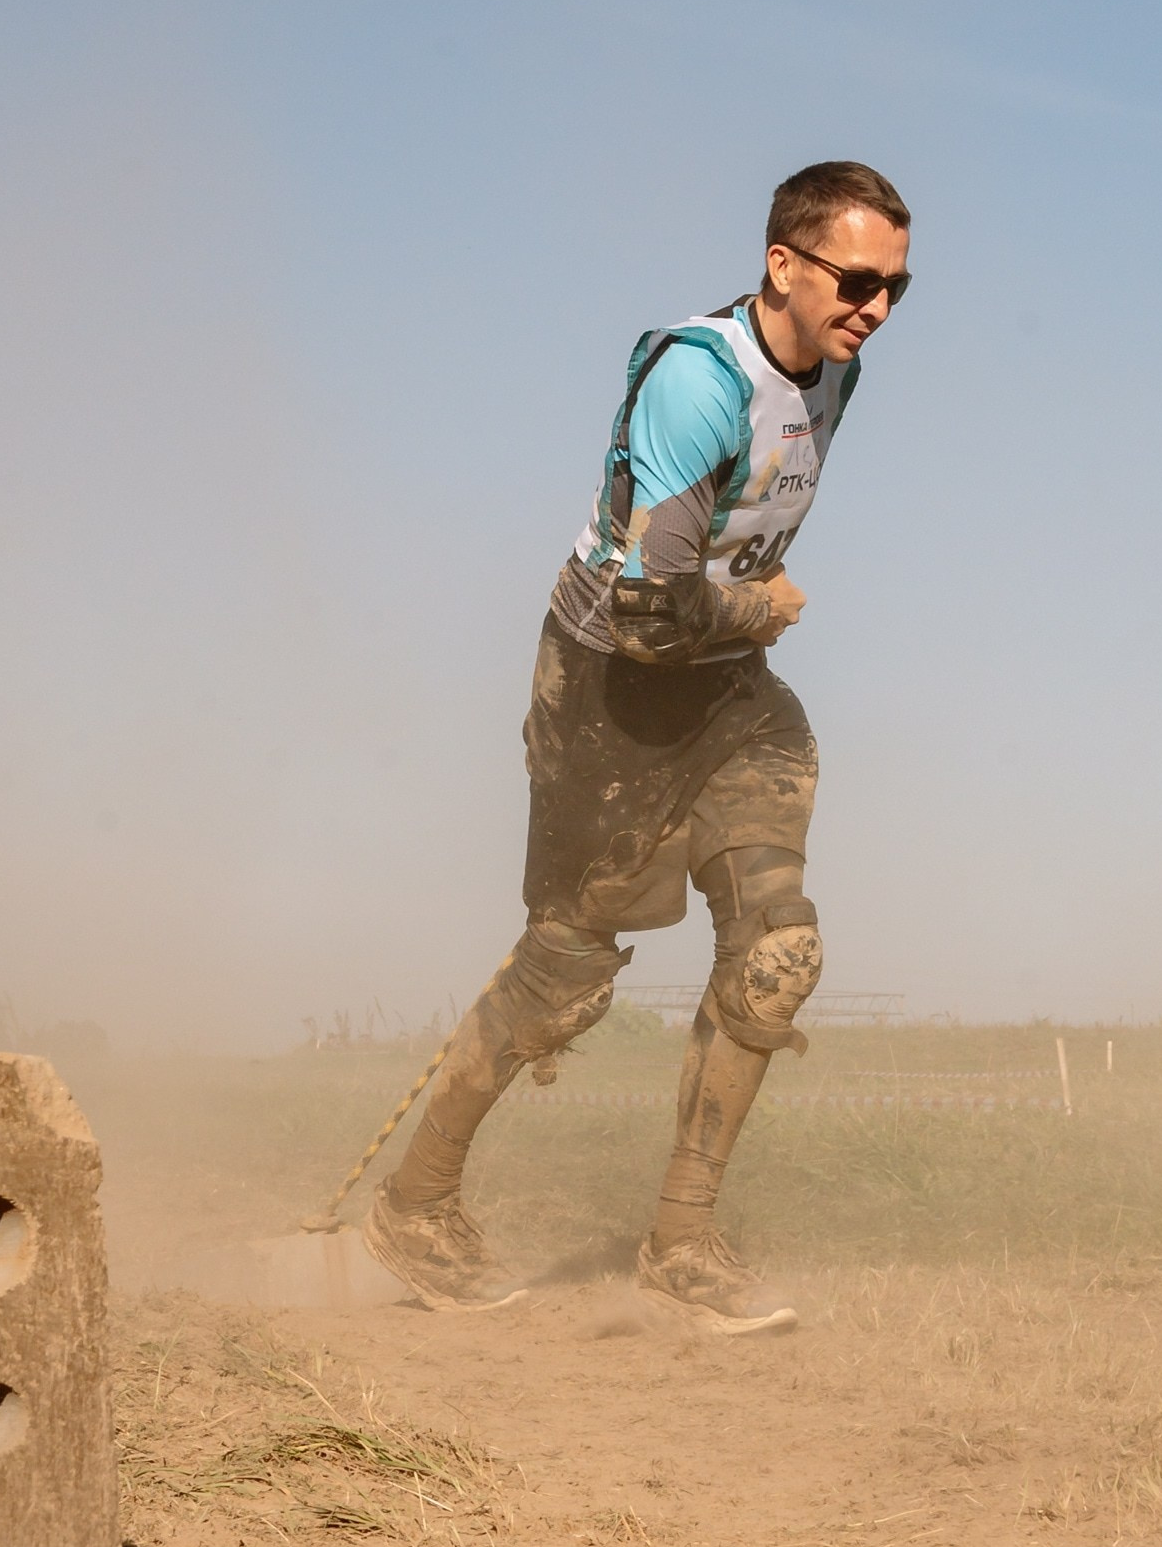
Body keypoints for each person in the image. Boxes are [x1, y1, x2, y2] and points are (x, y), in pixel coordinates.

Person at [365, 161, 911, 1329]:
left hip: (721, 697)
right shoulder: (695, 386)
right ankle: (416, 1204)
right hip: (608, 691)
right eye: (856, 280)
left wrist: (744, 626)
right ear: (783, 265)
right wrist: (759, 609)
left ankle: (682, 1236)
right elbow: (646, 609)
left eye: (895, 290)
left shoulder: (837, 375)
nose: (873, 308)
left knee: (779, 950)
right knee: (562, 980)